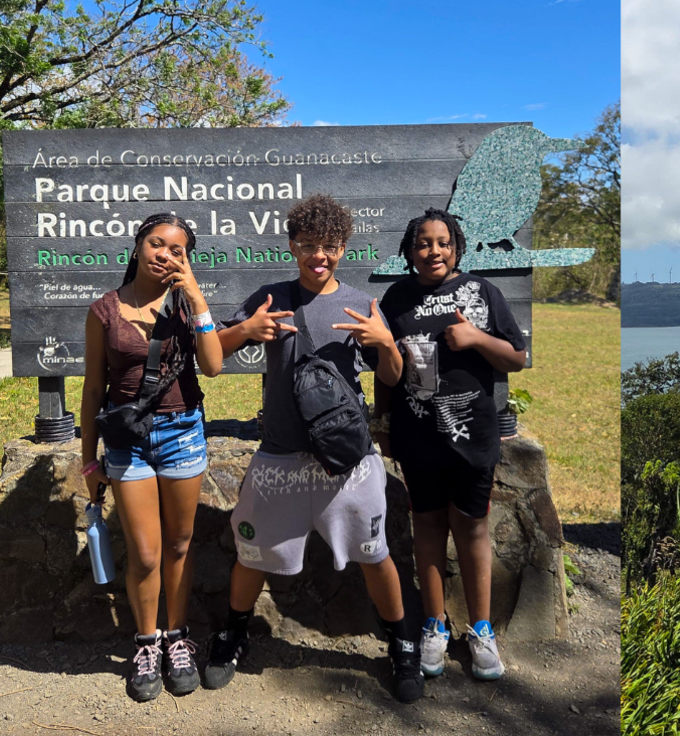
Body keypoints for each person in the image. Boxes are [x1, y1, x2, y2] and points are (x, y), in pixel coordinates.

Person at [201, 195, 424, 703]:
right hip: (280, 453)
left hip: (349, 461)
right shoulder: (269, 296)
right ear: (291, 246)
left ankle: (401, 644)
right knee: (252, 555)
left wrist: (384, 342)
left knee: (376, 554)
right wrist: (246, 330)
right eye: (307, 245)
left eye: (328, 246)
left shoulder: (360, 303)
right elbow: (212, 355)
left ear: (342, 247)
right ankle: (233, 635)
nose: (317, 255)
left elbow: (391, 376)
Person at [374, 208, 525, 682]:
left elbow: (517, 357)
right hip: (418, 433)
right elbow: (385, 368)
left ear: (457, 247)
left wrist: (476, 337)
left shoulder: (482, 293)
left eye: (442, 242)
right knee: (426, 527)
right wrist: (383, 422)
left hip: (473, 435)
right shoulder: (395, 299)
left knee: (472, 528)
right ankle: (434, 625)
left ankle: (481, 630)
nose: (433, 251)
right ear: (409, 250)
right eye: (423, 243)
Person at [80, 213, 226, 702]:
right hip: (127, 441)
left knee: (179, 545)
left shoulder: (188, 308)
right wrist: (87, 461)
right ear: (138, 246)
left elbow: (213, 365)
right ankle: (147, 642)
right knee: (145, 552)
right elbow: (92, 389)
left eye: (177, 250)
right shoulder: (104, 310)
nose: (165, 255)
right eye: (156, 244)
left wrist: (198, 298)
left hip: (183, 432)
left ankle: (178, 637)